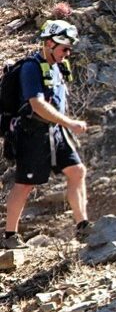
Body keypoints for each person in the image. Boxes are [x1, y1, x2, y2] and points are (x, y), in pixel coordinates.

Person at [3, 20, 90, 249]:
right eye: (64, 48)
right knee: (25, 184)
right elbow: (37, 104)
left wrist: (64, 124)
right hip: (33, 133)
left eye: (69, 49)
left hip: (55, 131)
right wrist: (69, 123)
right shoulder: (32, 67)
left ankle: (83, 226)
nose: (67, 53)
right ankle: (10, 235)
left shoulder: (58, 67)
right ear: (50, 43)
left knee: (77, 171)